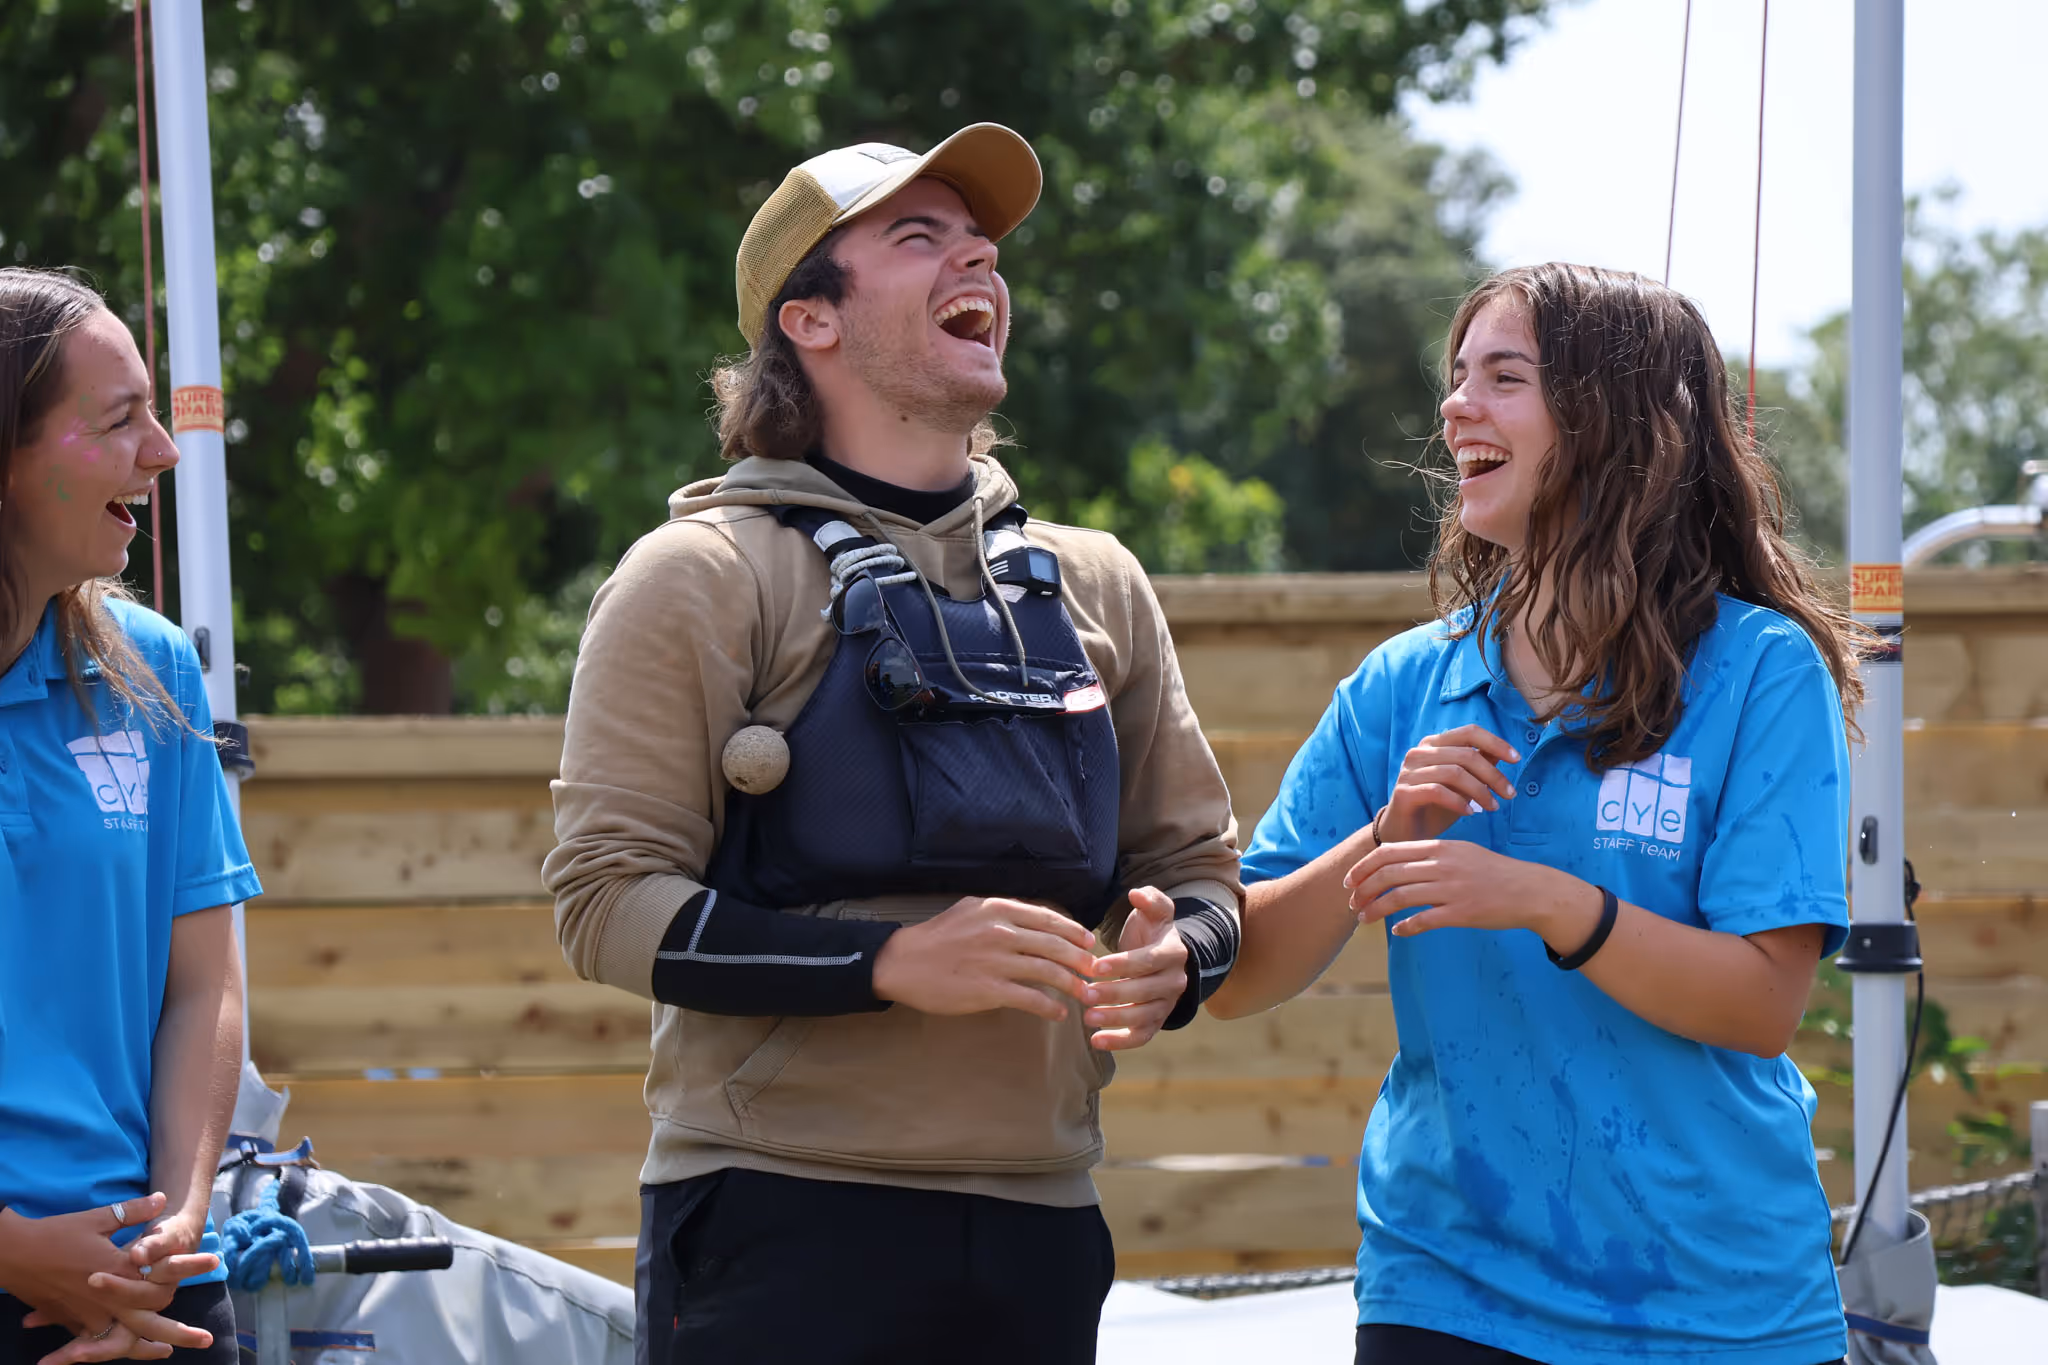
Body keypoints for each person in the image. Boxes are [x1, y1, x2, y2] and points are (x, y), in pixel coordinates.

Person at [545, 124, 1243, 1364]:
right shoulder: (698, 575)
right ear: (807, 319)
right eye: (917, 236)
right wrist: (890, 963)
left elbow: (1201, 874)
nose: (977, 256)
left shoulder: (1099, 582)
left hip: (1043, 1216)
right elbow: (603, 905)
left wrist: (1176, 957)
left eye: (979, 240)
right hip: (774, 1210)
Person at [1209, 263, 1860, 1365]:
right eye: (1458, 376)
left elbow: (1760, 1005)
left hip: (1715, 1307)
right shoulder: (1398, 686)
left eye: (1503, 378)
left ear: (1618, 424)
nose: (1454, 406)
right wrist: (1384, 837)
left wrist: (1551, 903)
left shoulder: (1761, 671)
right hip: (1444, 1290)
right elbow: (1239, 978)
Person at [0, 269, 262, 1365]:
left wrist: (176, 1223)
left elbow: (204, 985)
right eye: (120, 421)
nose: (164, 450)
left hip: (153, 1287)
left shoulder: (151, 668)